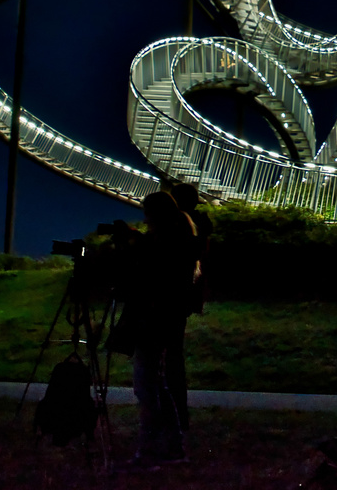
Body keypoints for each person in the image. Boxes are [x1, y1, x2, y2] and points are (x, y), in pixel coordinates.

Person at [122, 191, 198, 467]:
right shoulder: (179, 239)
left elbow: (152, 272)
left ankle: (150, 449)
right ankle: (172, 445)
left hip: (153, 320)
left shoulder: (166, 245)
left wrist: (134, 245)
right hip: (164, 320)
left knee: (147, 387)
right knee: (157, 384)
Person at [167, 182, 213, 434]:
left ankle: (174, 419)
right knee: (173, 358)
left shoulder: (180, 228)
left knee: (168, 360)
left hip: (170, 299)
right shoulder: (200, 227)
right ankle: (178, 416)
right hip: (185, 297)